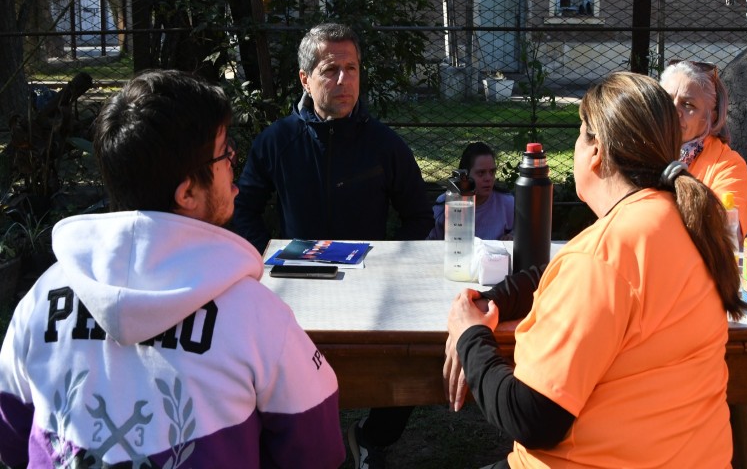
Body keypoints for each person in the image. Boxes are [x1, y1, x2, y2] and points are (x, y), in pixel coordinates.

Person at [0, 70, 344, 469]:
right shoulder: (256, 316)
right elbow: (317, 450)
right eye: (224, 153)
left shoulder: (41, 298)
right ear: (187, 192)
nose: (235, 159)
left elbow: (11, 438)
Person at [444, 72, 746, 469]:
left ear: (597, 151)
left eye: (579, 132)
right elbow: (563, 274)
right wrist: (491, 299)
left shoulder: (603, 255)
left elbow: (531, 417)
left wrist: (471, 336)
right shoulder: (687, 223)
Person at [232, 23, 433, 469]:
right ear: (305, 78)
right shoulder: (277, 142)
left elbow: (419, 216)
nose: (344, 81)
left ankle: (368, 439)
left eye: (352, 68)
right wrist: (264, 259)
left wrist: (391, 267)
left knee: (409, 370)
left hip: (372, 292)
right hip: (293, 292)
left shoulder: (385, 145)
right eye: (331, 70)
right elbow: (242, 207)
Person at [660, 59, 747, 244]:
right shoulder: (641, 148)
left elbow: (726, 236)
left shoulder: (728, 164)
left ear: (712, 116)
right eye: (667, 100)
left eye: (688, 105)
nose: (674, 110)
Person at [428, 142, 514, 241]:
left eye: (492, 172)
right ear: (465, 176)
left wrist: (511, 238)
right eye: (481, 173)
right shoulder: (447, 203)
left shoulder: (507, 204)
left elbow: (524, 234)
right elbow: (431, 243)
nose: (488, 178)